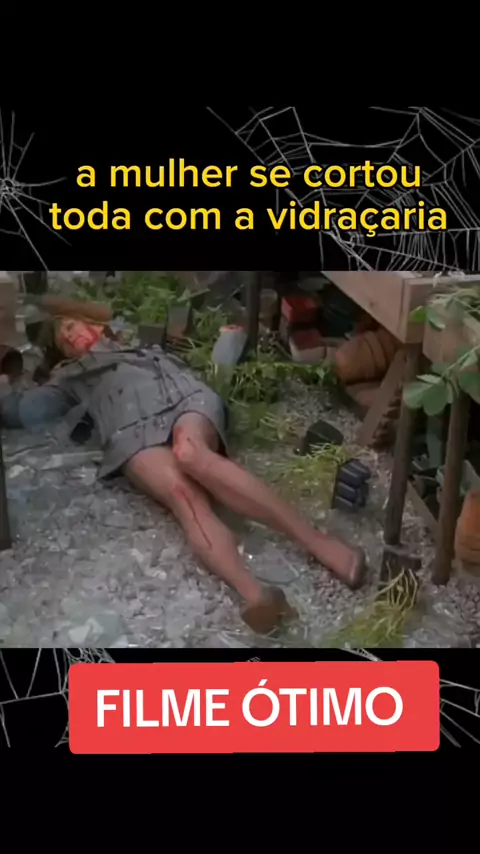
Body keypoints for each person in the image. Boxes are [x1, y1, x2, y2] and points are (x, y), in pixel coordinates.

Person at [0, 296, 366, 633]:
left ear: (92, 323)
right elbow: (21, 411)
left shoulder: (137, 344)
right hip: (130, 430)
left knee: (191, 454)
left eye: (71, 325)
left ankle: (319, 543)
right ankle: (257, 597)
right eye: (63, 338)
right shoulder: (68, 377)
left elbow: (198, 363)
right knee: (182, 494)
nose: (71, 335)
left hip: (182, 400)